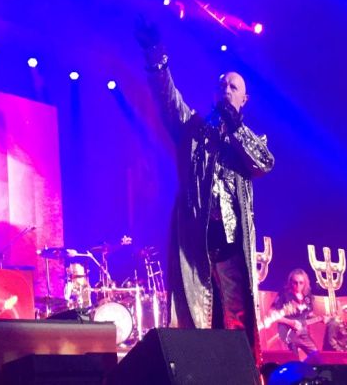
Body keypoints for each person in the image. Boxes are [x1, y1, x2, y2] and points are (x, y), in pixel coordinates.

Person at [135, 18, 275, 360]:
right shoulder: (193, 129)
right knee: (197, 315)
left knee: (237, 315)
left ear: (244, 98)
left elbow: (264, 163)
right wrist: (157, 58)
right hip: (196, 240)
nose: (226, 89)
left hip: (232, 243)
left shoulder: (249, 140)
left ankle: (241, 371)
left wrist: (236, 129)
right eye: (222, 85)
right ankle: (198, 371)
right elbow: (168, 98)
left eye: (233, 87)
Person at [271, 269, 319, 360]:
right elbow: (272, 314)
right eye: (295, 283)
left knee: (317, 358)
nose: (298, 286)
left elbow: (309, 314)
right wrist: (290, 322)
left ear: (305, 283)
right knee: (294, 362)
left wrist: (320, 319)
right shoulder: (284, 294)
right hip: (288, 334)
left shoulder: (308, 297)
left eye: (301, 283)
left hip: (303, 333)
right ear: (290, 282)